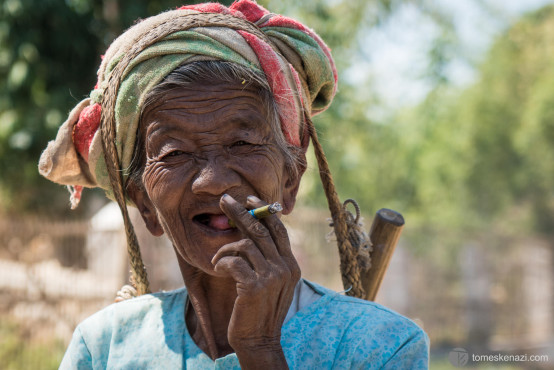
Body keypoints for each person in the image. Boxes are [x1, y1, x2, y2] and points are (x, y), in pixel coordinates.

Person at [39, 1, 429, 368]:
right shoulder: (104, 348)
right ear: (144, 203)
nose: (214, 180)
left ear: (291, 177)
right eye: (174, 154)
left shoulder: (381, 347)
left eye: (242, 144)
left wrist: (260, 351)